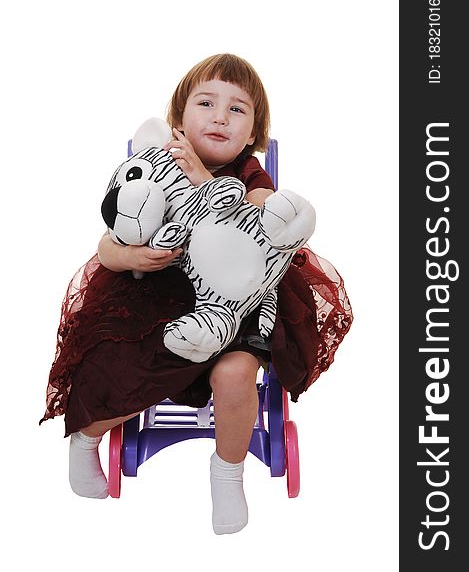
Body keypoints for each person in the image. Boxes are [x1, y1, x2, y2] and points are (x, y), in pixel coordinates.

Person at [40, 53, 353, 535]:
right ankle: (85, 440)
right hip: (157, 302)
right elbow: (109, 239)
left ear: (253, 134)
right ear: (179, 120)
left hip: (239, 303)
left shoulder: (250, 175)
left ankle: (227, 473)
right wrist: (131, 258)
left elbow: (262, 225)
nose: (220, 116)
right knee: (119, 368)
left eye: (237, 109)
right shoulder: (155, 164)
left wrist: (209, 185)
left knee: (235, 373)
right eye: (207, 103)